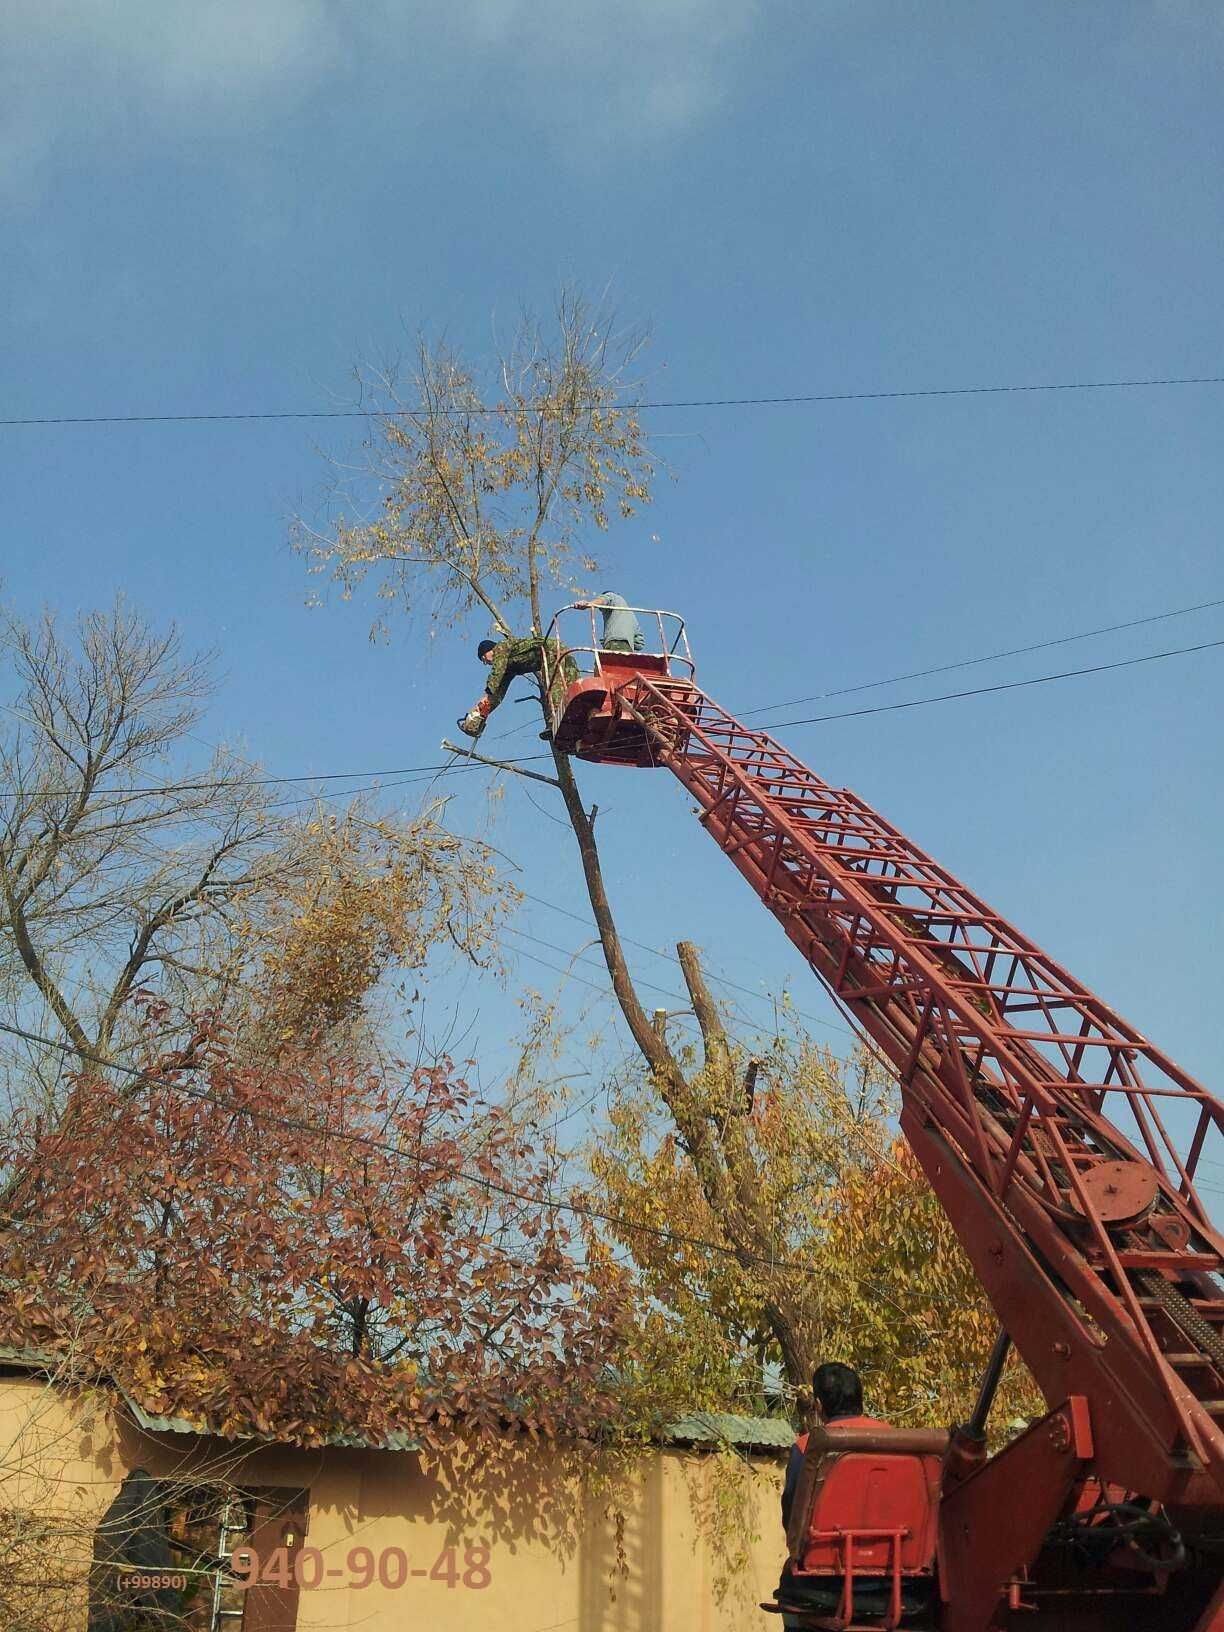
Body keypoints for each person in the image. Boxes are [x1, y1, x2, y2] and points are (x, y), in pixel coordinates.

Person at [776, 1362, 891, 1627]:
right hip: (891, 1579)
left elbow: (792, 1517)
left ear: (817, 1404)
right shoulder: (898, 1441)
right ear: (860, 1398)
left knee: (788, 1590)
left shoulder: (807, 1447)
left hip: (824, 1583)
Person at [457, 631, 576, 739]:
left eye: (484, 658)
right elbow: (498, 694)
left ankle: (556, 720)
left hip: (551, 651)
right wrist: (480, 712)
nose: (486, 662)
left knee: (554, 686)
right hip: (556, 651)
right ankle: (576, 718)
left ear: (489, 649)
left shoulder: (501, 647)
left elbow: (497, 672)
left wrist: (487, 693)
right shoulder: (509, 667)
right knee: (572, 688)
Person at [573, 591, 645, 653]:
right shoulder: (632, 616)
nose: (602, 611)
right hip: (628, 650)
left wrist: (588, 604)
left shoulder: (612, 596)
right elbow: (639, 644)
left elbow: (604, 600)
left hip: (615, 644)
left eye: (601, 609)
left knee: (601, 666)